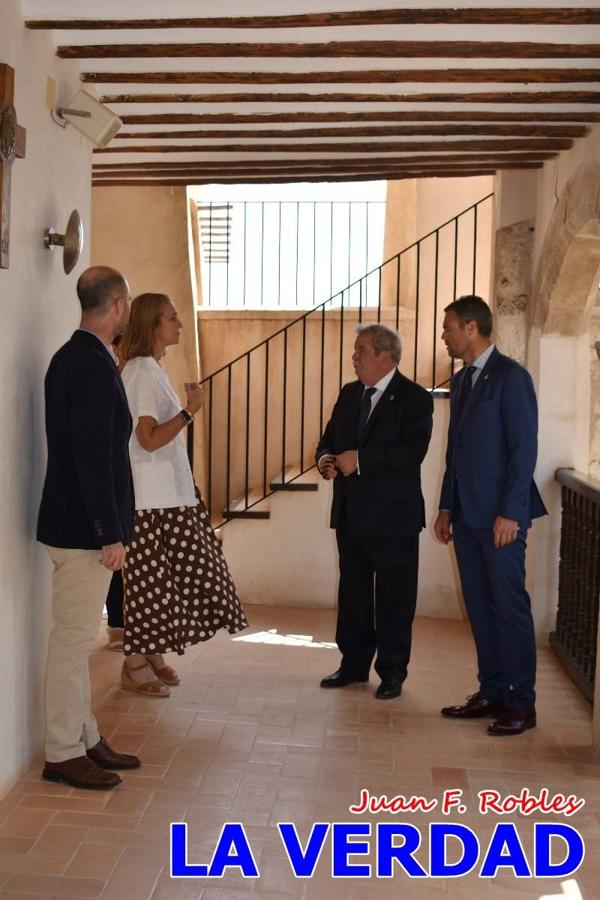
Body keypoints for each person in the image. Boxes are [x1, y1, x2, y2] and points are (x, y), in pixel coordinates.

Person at [37, 266, 140, 790]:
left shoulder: (73, 356)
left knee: (75, 642)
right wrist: (109, 532)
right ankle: (62, 751)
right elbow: (93, 459)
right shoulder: (91, 364)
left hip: (73, 523)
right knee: (72, 645)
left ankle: (85, 736)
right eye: (128, 303)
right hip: (83, 530)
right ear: (118, 306)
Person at [118, 292, 248, 696]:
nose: (178, 324)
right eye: (172, 318)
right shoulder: (140, 371)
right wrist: (190, 411)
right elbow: (148, 439)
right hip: (149, 500)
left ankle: (152, 653)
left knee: (169, 581)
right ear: (153, 326)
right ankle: (134, 663)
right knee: (149, 584)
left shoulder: (152, 368)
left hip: (167, 496)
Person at [434, 295, 547, 736]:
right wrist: (446, 507)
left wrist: (510, 513)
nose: (444, 336)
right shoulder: (463, 380)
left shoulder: (511, 377)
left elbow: (524, 451)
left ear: (471, 328)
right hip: (466, 516)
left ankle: (522, 704)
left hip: (501, 519)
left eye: (448, 328)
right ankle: (493, 691)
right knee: (480, 607)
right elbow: (455, 452)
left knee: (509, 607)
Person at [316, 323, 433, 700]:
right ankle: (352, 666)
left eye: (361, 351)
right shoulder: (349, 394)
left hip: (394, 518)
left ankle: (393, 673)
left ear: (386, 357)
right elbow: (328, 441)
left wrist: (361, 460)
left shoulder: (415, 398)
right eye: (355, 351)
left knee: (394, 598)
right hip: (351, 515)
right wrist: (326, 461)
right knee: (353, 595)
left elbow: (411, 453)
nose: (354, 357)